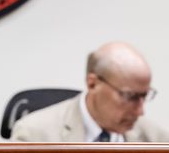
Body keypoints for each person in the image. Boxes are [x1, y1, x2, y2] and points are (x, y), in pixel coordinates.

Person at [11, 42, 169, 142]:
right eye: (130, 97)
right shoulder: (34, 136)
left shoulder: (156, 140)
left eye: (144, 96)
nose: (140, 111)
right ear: (92, 84)